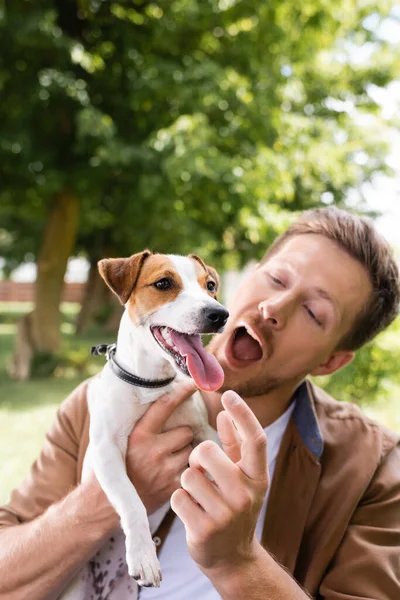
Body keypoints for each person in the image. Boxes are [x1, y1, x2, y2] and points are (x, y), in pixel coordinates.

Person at [0, 206, 399, 600]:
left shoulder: (374, 474)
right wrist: (102, 503)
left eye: (314, 312)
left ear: (331, 361)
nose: (273, 309)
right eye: (276, 279)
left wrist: (239, 562)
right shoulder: (93, 402)